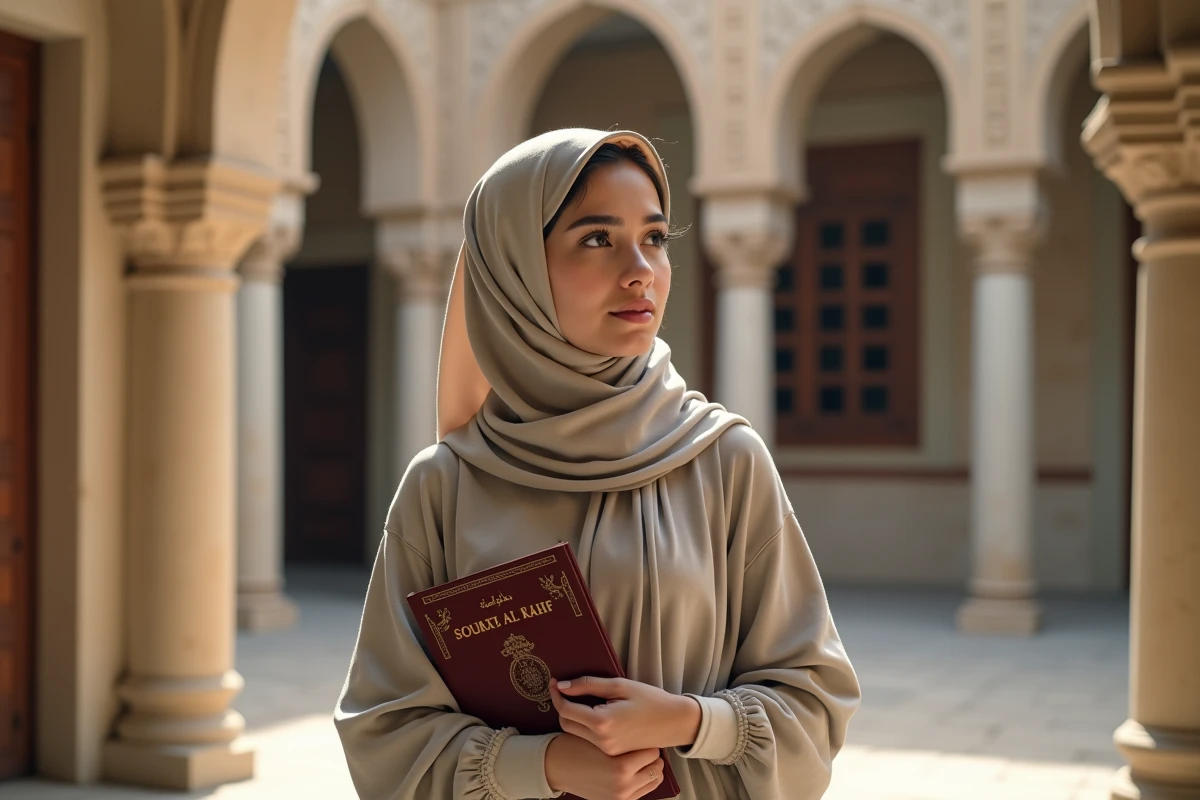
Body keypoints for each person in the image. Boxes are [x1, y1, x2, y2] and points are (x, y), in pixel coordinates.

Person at [334, 128, 861, 800]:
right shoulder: (446, 484)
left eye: (656, 238)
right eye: (597, 238)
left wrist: (693, 721)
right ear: (516, 266)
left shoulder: (725, 460)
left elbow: (816, 701)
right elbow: (383, 729)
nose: (641, 268)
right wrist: (545, 765)